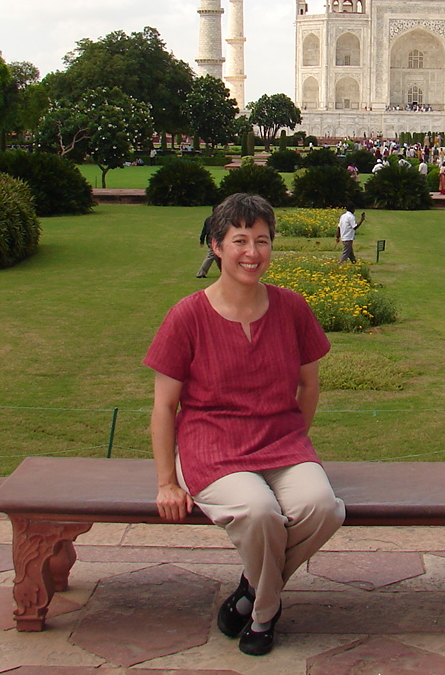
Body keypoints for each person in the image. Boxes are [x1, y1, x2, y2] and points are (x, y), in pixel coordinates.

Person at [146, 193, 345, 657]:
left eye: (262, 241)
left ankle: (251, 588)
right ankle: (263, 613)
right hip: (211, 446)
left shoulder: (291, 307)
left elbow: (309, 387)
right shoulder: (188, 315)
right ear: (216, 246)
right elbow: (163, 407)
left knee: (325, 508)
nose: (252, 253)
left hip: (281, 442)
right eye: (240, 240)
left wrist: (296, 436)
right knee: (259, 513)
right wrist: (165, 483)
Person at [195, 213, 219, 278]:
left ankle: (224, 272)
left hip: (210, 241)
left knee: (218, 257)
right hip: (216, 241)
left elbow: (204, 231)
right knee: (211, 256)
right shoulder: (219, 220)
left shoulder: (208, 219)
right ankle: (201, 273)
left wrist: (201, 240)